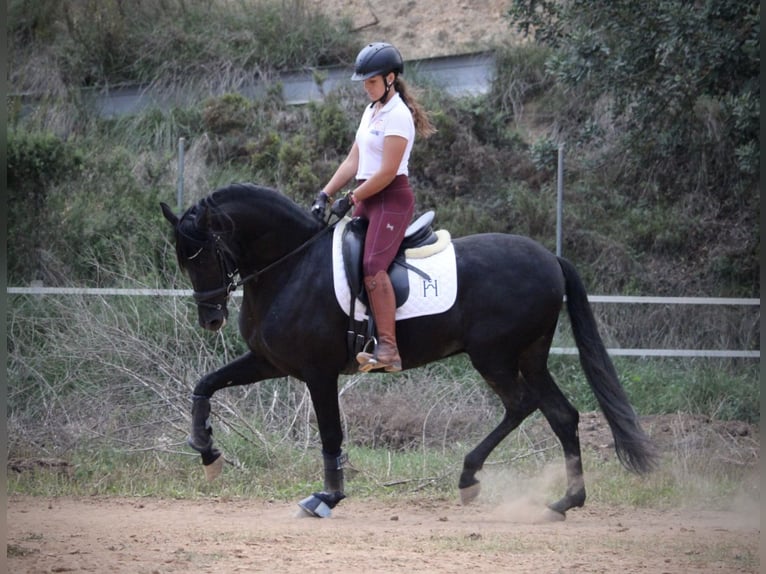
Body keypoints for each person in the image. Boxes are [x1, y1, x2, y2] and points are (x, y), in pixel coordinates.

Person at [311, 42, 436, 373]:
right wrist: (325, 193)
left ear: (390, 79)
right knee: (343, 258)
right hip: (368, 197)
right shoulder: (371, 112)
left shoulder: (398, 115)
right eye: (364, 82)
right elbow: (355, 159)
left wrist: (351, 198)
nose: (366, 88)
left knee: (371, 264)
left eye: (371, 82)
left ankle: (389, 349)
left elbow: (386, 172)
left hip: (390, 199)